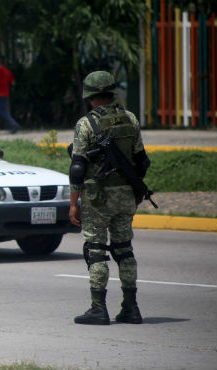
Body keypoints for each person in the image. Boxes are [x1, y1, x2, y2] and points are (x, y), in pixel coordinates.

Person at [69, 71, 150, 325]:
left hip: (98, 198)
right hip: (126, 195)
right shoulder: (130, 119)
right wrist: (133, 191)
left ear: (91, 97)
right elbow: (141, 161)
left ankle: (98, 308)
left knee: (96, 250)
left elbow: (77, 169)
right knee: (125, 249)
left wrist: (73, 204)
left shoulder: (86, 124)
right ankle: (131, 308)